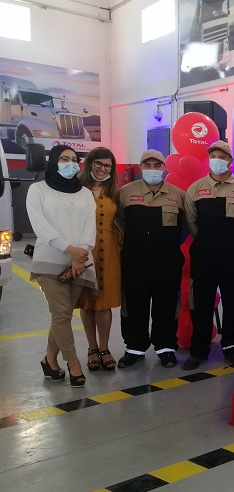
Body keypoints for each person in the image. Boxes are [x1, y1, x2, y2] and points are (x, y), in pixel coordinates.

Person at [26, 145, 97, 388]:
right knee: (62, 314)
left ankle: (49, 359)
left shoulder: (85, 193)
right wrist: (70, 250)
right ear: (53, 161)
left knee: (62, 315)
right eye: (64, 159)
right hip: (49, 260)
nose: (70, 163)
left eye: (74, 159)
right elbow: (40, 226)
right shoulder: (38, 190)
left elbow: (89, 226)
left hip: (80, 263)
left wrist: (80, 254)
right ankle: (73, 363)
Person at [184, 140, 234, 370]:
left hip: (233, 254)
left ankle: (233, 349)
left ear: (230, 160)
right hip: (204, 255)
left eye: (222, 156)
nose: (217, 160)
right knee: (201, 303)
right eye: (213, 156)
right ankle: (199, 350)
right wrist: (207, 242)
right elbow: (190, 222)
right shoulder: (195, 189)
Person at [116, 150, 187, 369]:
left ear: (164, 167)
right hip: (134, 261)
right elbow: (119, 222)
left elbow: (185, 227)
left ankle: (165, 348)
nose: (153, 169)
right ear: (141, 167)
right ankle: (134, 348)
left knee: (166, 304)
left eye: (157, 165)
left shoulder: (178, 195)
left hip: (167, 261)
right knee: (134, 303)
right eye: (148, 165)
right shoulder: (125, 193)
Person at [75, 147, 121, 372]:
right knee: (87, 301)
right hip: (85, 251)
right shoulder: (76, 189)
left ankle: (104, 348)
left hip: (110, 251)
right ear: (89, 164)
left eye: (108, 166)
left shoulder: (115, 192)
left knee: (104, 302)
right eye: (99, 164)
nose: (103, 169)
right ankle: (91, 348)